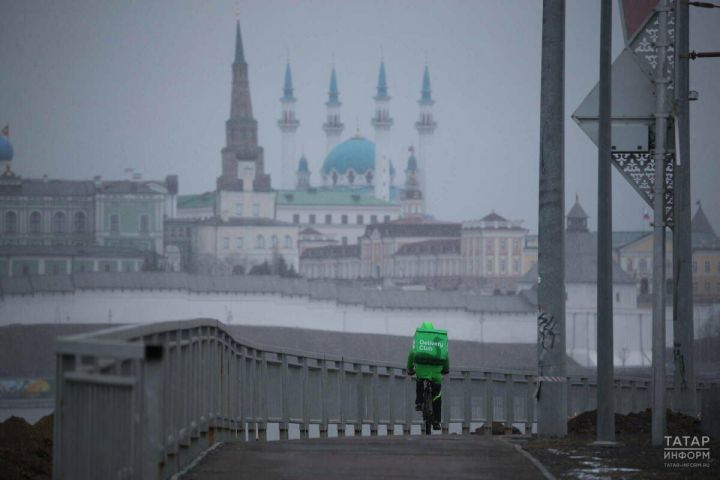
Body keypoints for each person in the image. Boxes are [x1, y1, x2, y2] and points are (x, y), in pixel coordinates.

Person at [406, 321, 449, 430]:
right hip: (436, 374)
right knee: (437, 396)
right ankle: (436, 421)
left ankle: (419, 402)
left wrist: (410, 369)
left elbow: (411, 354)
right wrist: (445, 369)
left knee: (419, 381)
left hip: (421, 370)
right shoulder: (437, 341)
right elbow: (445, 356)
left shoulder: (420, 340)